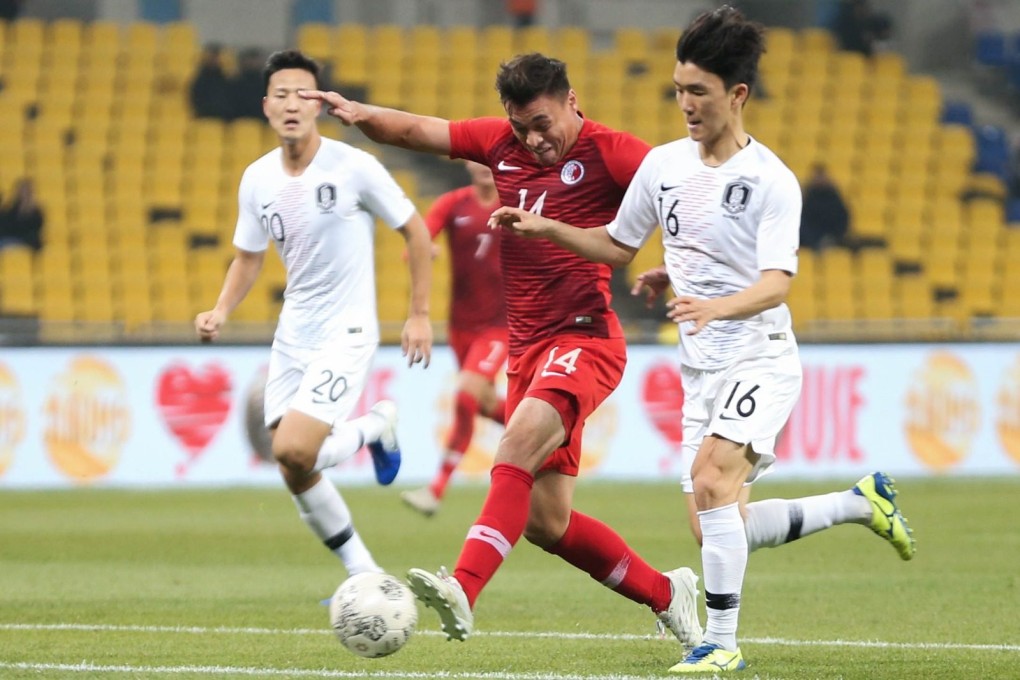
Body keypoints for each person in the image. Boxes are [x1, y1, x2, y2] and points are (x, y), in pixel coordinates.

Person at [490, 7, 915, 673]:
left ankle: (720, 642)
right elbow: (617, 245)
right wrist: (548, 232)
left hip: (760, 359)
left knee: (712, 482)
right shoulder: (663, 167)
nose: (685, 104)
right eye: (678, 89)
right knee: (717, 522)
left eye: (699, 92)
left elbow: (776, 283)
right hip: (701, 371)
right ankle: (858, 503)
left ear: (736, 95)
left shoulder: (771, 180)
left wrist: (717, 306)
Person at [300, 53, 703, 650]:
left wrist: (676, 265)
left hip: (585, 336)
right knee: (547, 522)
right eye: (521, 128)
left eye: (543, 123)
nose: (534, 140)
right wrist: (360, 115)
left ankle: (462, 586)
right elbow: (417, 131)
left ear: (571, 100)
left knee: (514, 443)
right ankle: (668, 596)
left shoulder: (613, 151)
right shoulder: (499, 145)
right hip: (528, 350)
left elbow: (689, 200)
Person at [195, 49, 433, 583]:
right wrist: (220, 309)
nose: (292, 105)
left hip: (346, 330)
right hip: (293, 334)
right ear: (265, 107)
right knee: (292, 467)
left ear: (320, 105)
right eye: (281, 95)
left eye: (303, 94)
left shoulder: (353, 167)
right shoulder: (257, 179)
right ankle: (365, 573)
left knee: (294, 448)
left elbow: (416, 231)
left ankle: (375, 426)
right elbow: (248, 257)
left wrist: (418, 315)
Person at [401, 160, 509, 518]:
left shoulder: (513, 205)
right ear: (466, 162)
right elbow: (417, 240)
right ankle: (549, 430)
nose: (484, 167)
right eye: (477, 160)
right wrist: (422, 251)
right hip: (461, 326)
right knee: (481, 401)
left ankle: (436, 489)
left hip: (501, 324)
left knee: (465, 394)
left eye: (490, 161)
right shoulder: (452, 204)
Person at [799, 163, 849, 249]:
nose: (819, 179)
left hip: (831, 239)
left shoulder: (834, 197)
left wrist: (833, 237)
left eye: (821, 176)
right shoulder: (807, 197)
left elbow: (841, 219)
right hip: (809, 240)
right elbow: (802, 221)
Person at [189, 44, 234, 120]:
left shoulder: (226, 80)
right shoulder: (200, 80)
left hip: (223, 118)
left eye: (216, 57)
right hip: (204, 117)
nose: (214, 60)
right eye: (212, 57)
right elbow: (196, 99)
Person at [0, 178, 44, 251]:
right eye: (21, 191)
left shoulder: (36, 212)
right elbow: (4, 225)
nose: (23, 194)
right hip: (9, 239)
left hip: (26, 242)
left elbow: (34, 230)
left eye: (26, 192)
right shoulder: (11, 209)